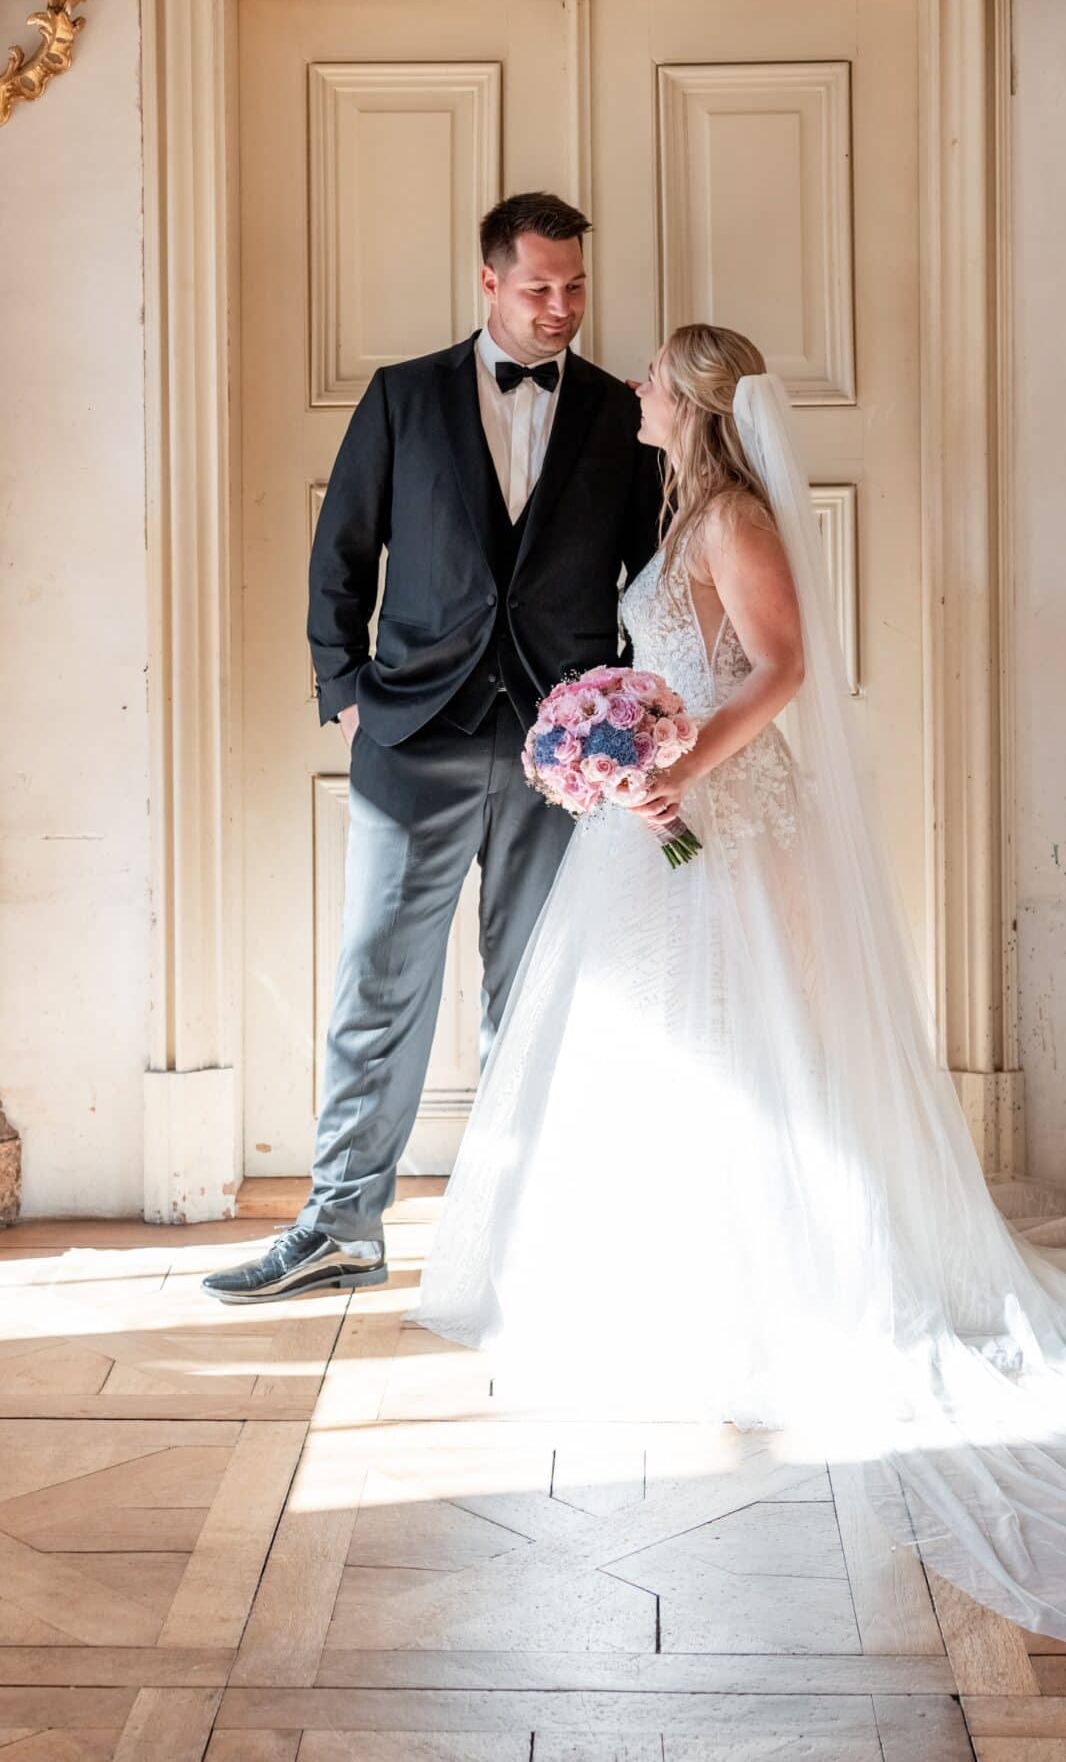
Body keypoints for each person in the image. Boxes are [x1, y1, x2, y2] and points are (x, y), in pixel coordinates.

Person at [415, 321, 1066, 1691]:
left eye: (658, 378)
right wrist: (626, 744)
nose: (639, 390)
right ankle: (654, 1278)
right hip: (668, 821)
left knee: (750, 1046)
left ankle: (769, 1288)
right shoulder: (680, 510)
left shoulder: (730, 516)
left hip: (723, 820)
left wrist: (679, 762)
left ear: (699, 402)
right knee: (663, 1046)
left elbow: (781, 671)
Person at [204, 193, 661, 1306]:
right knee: (380, 985)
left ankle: (514, 1235)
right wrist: (347, 696)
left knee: (536, 992)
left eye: (575, 287)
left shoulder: (617, 413)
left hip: (566, 755)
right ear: (489, 282)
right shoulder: (403, 397)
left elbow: (649, 574)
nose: (561, 307)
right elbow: (340, 553)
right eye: (539, 287)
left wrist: (631, 721)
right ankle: (340, 1225)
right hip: (412, 738)